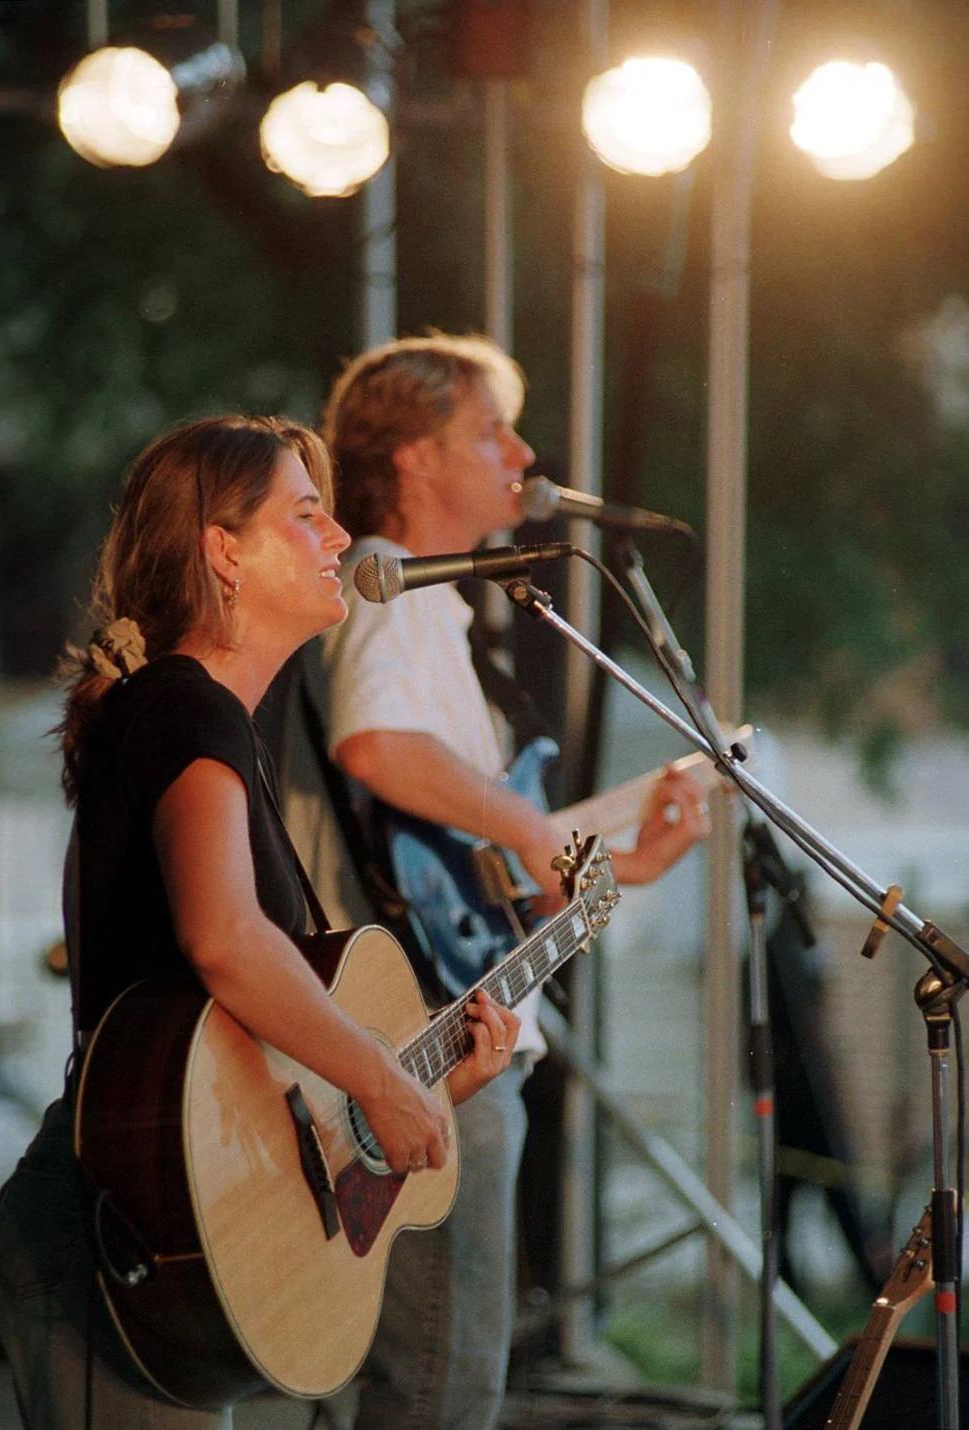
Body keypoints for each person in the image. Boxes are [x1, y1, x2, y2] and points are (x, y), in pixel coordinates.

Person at [0, 414, 519, 1430]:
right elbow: (227, 940)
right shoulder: (187, 709)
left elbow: (245, 1061)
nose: (338, 540)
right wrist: (379, 1074)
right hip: (114, 1242)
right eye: (309, 516)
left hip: (166, 1234)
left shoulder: (204, 719)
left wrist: (424, 1084)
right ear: (223, 550)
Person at [276, 334, 711, 1430]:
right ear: (416, 459)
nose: (524, 452)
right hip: (433, 1043)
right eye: (490, 431)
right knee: (441, 1377)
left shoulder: (453, 616)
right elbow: (378, 745)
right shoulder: (390, 585)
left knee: (455, 1368)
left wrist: (622, 865)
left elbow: (467, 881)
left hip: (459, 1026)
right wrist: (527, 825)